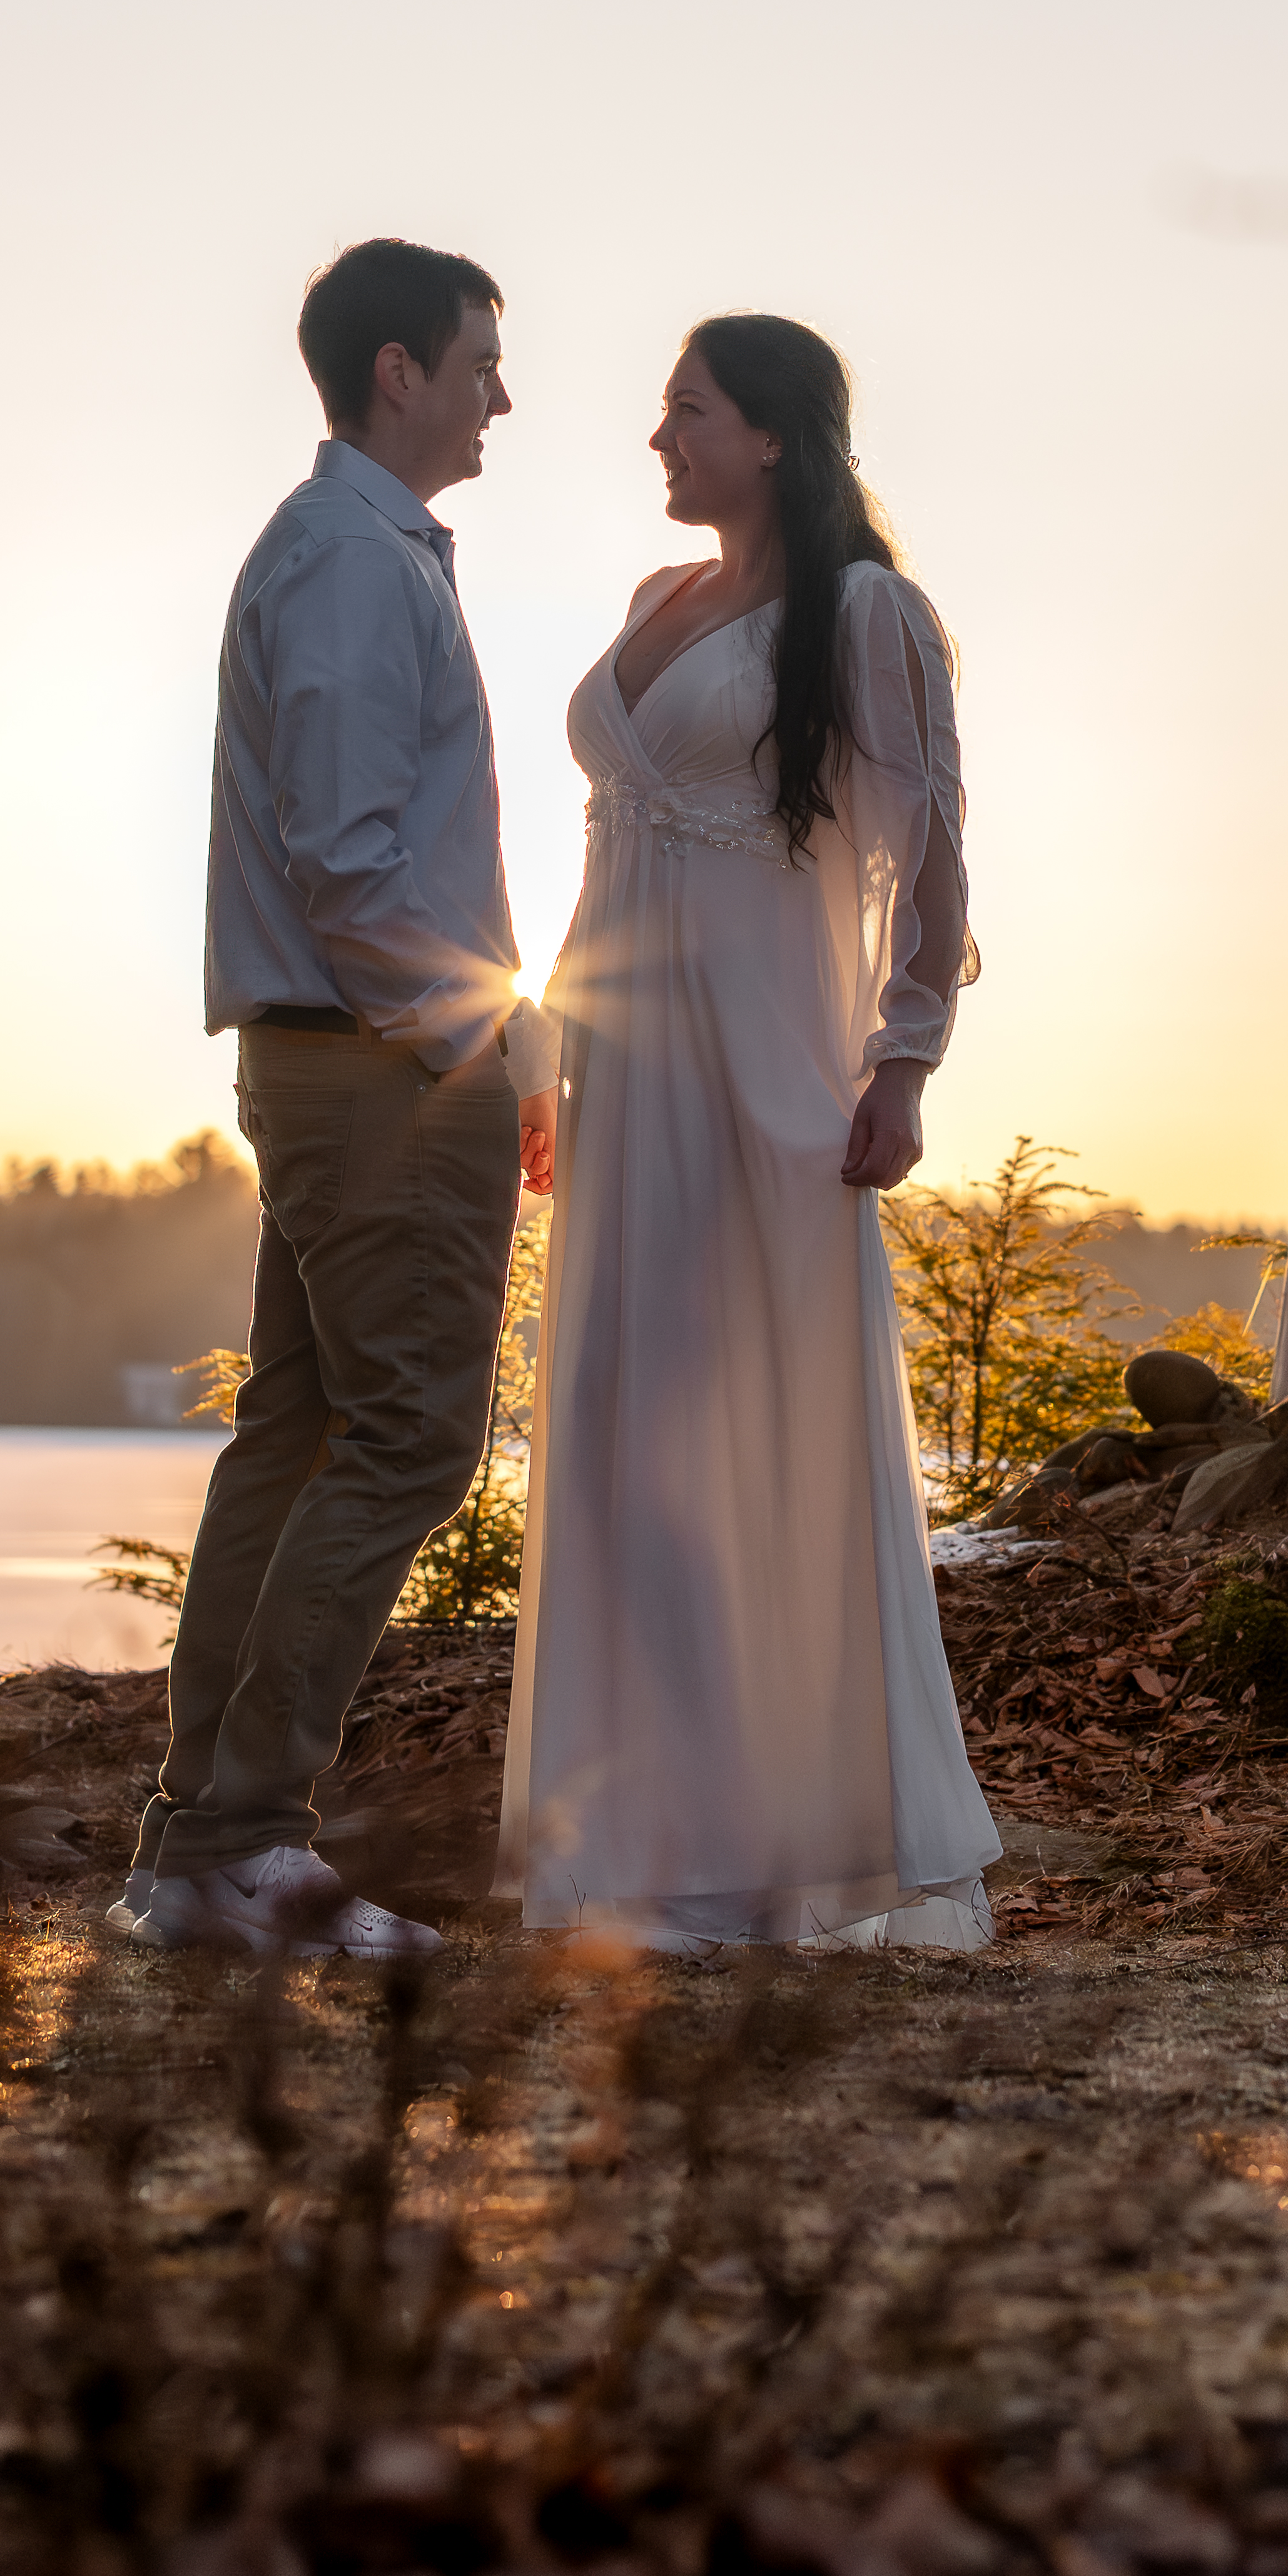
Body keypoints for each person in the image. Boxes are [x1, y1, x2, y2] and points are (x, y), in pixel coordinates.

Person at [495, 314, 1001, 1951]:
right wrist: (547, 1055)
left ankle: (786, 1848)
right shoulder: (658, 606)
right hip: (624, 1079)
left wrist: (904, 1066)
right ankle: (642, 1846)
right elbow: (602, 869)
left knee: (741, 1449)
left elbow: (928, 863)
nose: (658, 438)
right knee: (609, 1439)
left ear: (770, 435)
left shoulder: (864, 615)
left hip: (765, 1087)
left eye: (685, 411)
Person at [113, 237, 554, 1959]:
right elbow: (353, 860)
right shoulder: (354, 569)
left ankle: (190, 1852)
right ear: (398, 372)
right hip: (375, 1065)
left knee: (295, 1437)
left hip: (336, 1052)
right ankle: (235, 1841)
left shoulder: (355, 557)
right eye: (480, 362)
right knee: (409, 1439)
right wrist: (466, 1037)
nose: (499, 395)